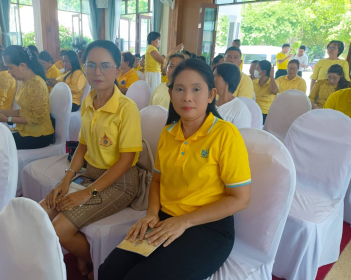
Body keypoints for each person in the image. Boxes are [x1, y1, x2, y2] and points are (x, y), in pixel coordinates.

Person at [99, 58, 251, 280]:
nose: (187, 97)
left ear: (211, 95)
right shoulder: (168, 132)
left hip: (209, 228)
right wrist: (151, 214)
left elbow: (241, 199)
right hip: (164, 218)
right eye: (179, 89)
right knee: (108, 272)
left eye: (196, 89)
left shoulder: (226, 134)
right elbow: (157, 181)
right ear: (171, 94)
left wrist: (184, 221)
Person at [40, 40, 142, 279]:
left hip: (120, 182)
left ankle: (97, 263)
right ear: (84, 66)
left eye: (105, 66)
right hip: (92, 174)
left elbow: (126, 161)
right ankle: (85, 255)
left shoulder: (127, 108)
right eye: (91, 65)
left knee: (59, 230)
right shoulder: (89, 100)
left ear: (118, 70)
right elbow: (82, 146)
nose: (97, 72)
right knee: (45, 210)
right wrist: (66, 180)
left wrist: (87, 192)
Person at [0, 46, 54, 150]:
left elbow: (37, 119)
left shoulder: (37, 84)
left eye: (10, 68)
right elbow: (24, 111)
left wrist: (7, 119)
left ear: (22, 66)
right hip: (25, 130)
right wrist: (3, 112)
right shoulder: (24, 82)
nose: (8, 71)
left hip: (39, 136)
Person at [214, 63, 252, 128]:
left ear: (226, 80)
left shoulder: (240, 110)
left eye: (215, 75)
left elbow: (242, 136)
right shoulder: (211, 104)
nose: (212, 79)